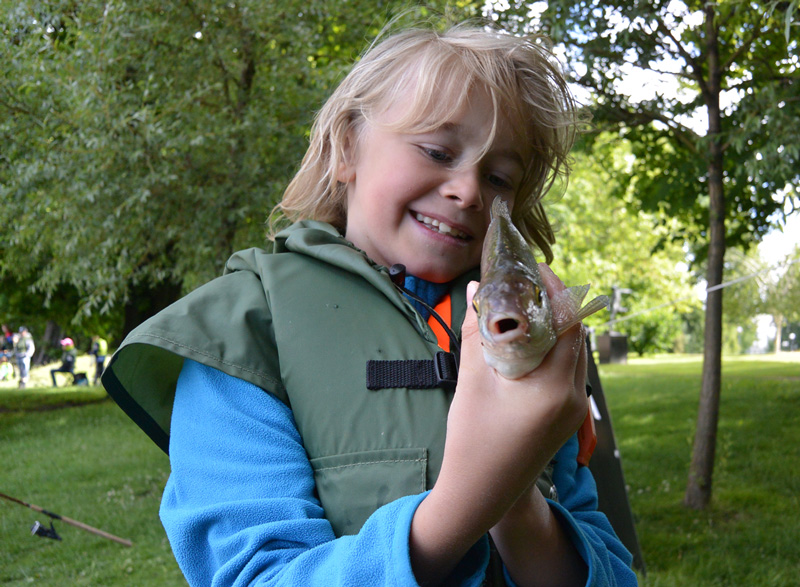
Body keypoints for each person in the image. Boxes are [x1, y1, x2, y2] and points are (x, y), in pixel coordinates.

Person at [102, 23, 637, 586]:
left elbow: (610, 572)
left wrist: (517, 502)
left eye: (499, 176)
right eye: (437, 150)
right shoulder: (239, 332)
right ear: (346, 148)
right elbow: (255, 576)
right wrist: (466, 502)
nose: (469, 190)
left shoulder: (529, 334)